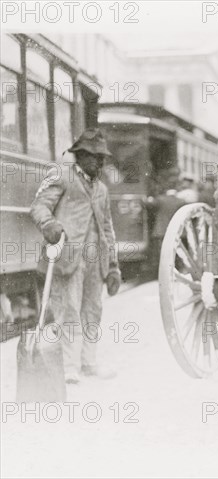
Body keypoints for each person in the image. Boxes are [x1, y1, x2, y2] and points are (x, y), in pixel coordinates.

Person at [30, 128, 121, 384]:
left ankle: (88, 362)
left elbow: (107, 229)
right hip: (67, 257)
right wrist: (49, 225)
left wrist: (113, 266)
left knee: (93, 310)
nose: (100, 162)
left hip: (96, 261)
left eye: (102, 157)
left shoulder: (102, 189)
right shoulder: (60, 176)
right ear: (80, 156)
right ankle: (69, 367)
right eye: (95, 157)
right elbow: (39, 206)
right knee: (68, 311)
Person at [145, 181, 187, 276]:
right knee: (176, 252)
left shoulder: (160, 200)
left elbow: (148, 204)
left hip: (162, 231)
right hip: (177, 231)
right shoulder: (181, 201)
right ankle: (176, 272)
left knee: (163, 253)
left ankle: (164, 273)